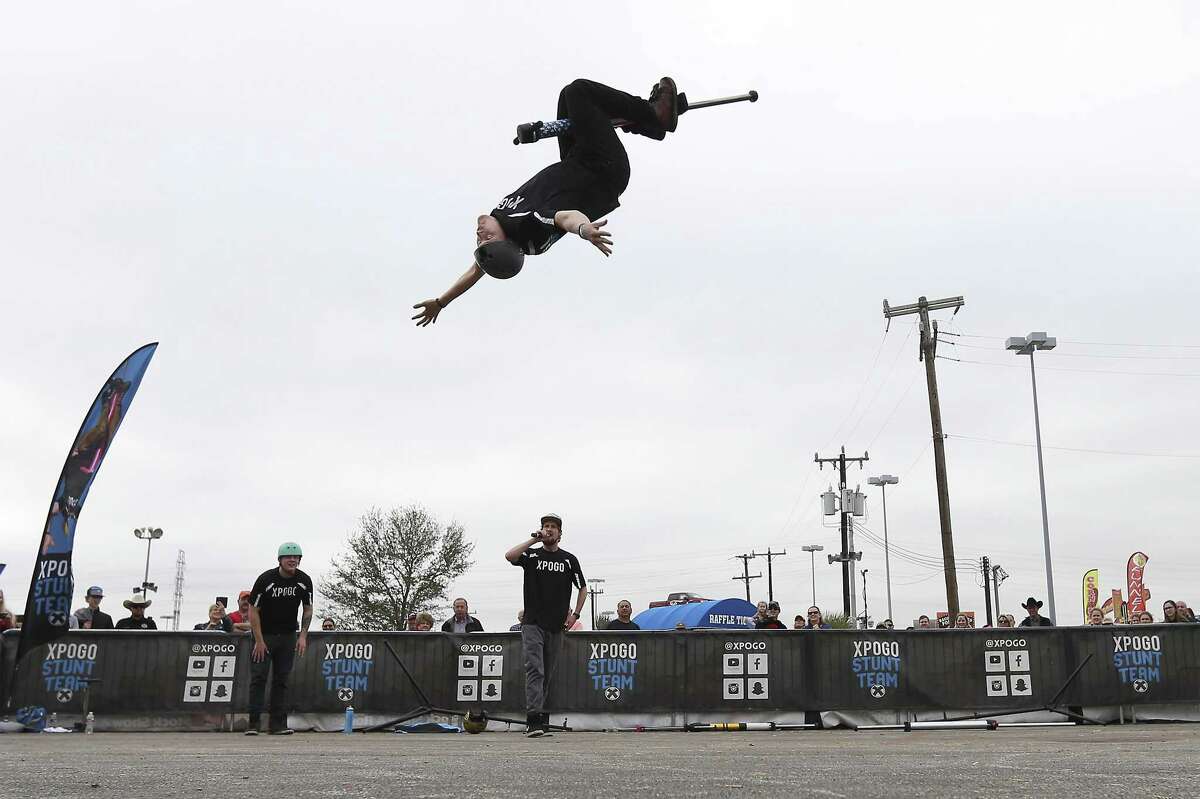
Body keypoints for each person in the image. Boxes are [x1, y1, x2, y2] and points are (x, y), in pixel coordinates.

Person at [412, 78, 681, 326]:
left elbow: (475, 272)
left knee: (568, 99)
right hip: (603, 169)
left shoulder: (503, 225)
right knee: (579, 92)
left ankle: (650, 122)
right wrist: (583, 229)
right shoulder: (528, 229)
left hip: (577, 160)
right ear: (505, 243)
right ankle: (653, 114)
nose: (480, 234)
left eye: (479, 241)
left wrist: (441, 302)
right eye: (487, 239)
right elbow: (565, 217)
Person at [505, 512, 586, 738]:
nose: (549, 529)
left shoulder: (569, 559)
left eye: (553, 527)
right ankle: (533, 720)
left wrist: (575, 614)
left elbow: (582, 587)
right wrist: (534, 539)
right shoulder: (531, 555)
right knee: (535, 669)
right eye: (545, 526)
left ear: (560, 533)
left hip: (556, 625)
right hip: (532, 622)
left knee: (547, 673)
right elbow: (509, 555)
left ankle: (542, 718)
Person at [247, 542, 314, 736]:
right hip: (264, 635)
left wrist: (302, 636)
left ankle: (277, 725)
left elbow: (308, 609)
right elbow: (253, 610)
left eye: (296, 558)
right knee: (259, 677)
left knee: (281, 679)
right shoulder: (266, 579)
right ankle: (253, 723)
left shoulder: (304, 581)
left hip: (287, 636)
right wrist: (259, 640)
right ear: (280, 560)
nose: (292, 560)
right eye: (288, 557)